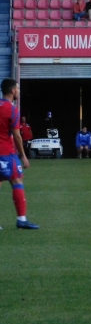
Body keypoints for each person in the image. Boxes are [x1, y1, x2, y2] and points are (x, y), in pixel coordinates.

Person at [0, 79, 39, 229]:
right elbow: (17, 135)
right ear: (13, 91)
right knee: (16, 181)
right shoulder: (12, 109)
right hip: (6, 153)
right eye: (18, 88)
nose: (19, 91)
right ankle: (21, 219)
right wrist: (23, 155)